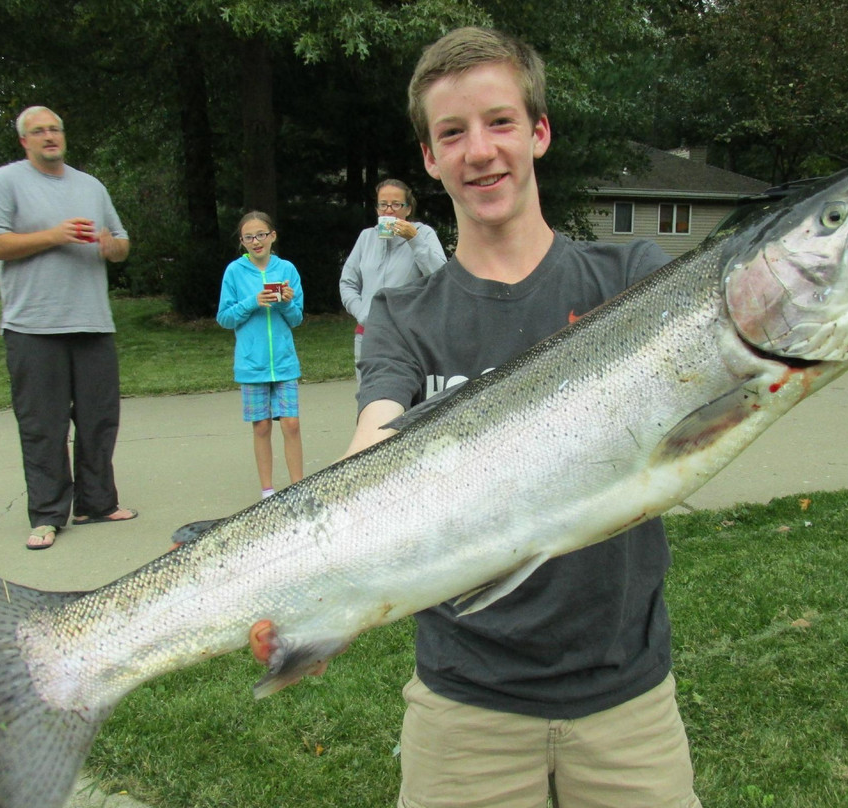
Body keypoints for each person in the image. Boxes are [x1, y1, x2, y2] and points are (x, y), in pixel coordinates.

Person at [250, 27, 702, 808]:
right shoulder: (403, 316)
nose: (480, 150)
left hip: (628, 702)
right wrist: (319, 590)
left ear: (539, 132)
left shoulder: (629, 282)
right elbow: (375, 446)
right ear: (429, 157)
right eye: (452, 132)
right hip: (463, 707)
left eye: (499, 122)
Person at [0, 106, 136, 551]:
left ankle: (96, 504)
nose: (49, 136)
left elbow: (121, 244)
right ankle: (47, 515)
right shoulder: (5, 183)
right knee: (43, 424)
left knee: (99, 419)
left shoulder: (91, 186)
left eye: (55, 129)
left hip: (92, 321)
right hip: (33, 325)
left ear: (64, 136)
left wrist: (111, 246)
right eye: (38, 131)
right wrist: (54, 235)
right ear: (24, 141)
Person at [217, 211, 305, 500]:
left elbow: (296, 319)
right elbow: (225, 318)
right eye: (249, 237)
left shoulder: (287, 269)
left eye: (261, 235)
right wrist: (253, 302)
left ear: (273, 236)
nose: (256, 242)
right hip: (251, 364)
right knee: (262, 426)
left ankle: (297, 487)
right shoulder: (234, 272)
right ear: (241, 242)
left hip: (283, 362)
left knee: (291, 423)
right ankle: (268, 491)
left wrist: (284, 303)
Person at [339, 179, 446, 380]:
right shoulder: (366, 237)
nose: (389, 211)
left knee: (410, 399)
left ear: (408, 209)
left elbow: (440, 276)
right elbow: (348, 282)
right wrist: (362, 313)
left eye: (396, 204)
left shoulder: (423, 234)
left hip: (409, 336)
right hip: (369, 334)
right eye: (383, 204)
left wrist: (414, 240)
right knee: (368, 398)